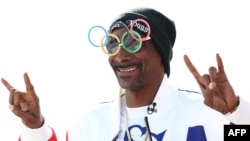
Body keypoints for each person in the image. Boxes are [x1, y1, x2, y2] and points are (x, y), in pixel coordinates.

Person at [1, 7, 250, 141]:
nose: (120, 56)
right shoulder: (88, 124)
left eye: (133, 42)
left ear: (161, 52)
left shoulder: (206, 116)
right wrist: (34, 126)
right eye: (112, 44)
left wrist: (237, 112)